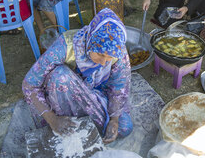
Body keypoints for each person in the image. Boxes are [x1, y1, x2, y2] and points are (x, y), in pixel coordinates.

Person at [22, 8, 133, 143]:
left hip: (94, 95)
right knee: (60, 76)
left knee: (124, 127)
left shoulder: (117, 51)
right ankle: (63, 122)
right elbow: (30, 84)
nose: (104, 62)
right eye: (100, 54)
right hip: (63, 95)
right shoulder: (65, 46)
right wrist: (52, 119)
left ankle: (82, 122)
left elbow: (119, 87)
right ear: (90, 40)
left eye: (109, 57)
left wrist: (114, 120)